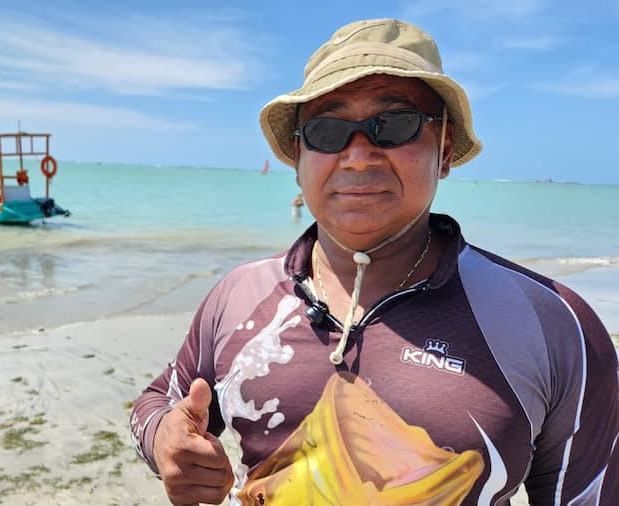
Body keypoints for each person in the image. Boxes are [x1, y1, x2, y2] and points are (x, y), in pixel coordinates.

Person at [129, 18, 618, 506]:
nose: (358, 157)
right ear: (298, 157)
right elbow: (158, 403)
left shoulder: (551, 325)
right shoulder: (240, 296)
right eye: (327, 130)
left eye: (395, 125)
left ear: (445, 150)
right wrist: (166, 441)